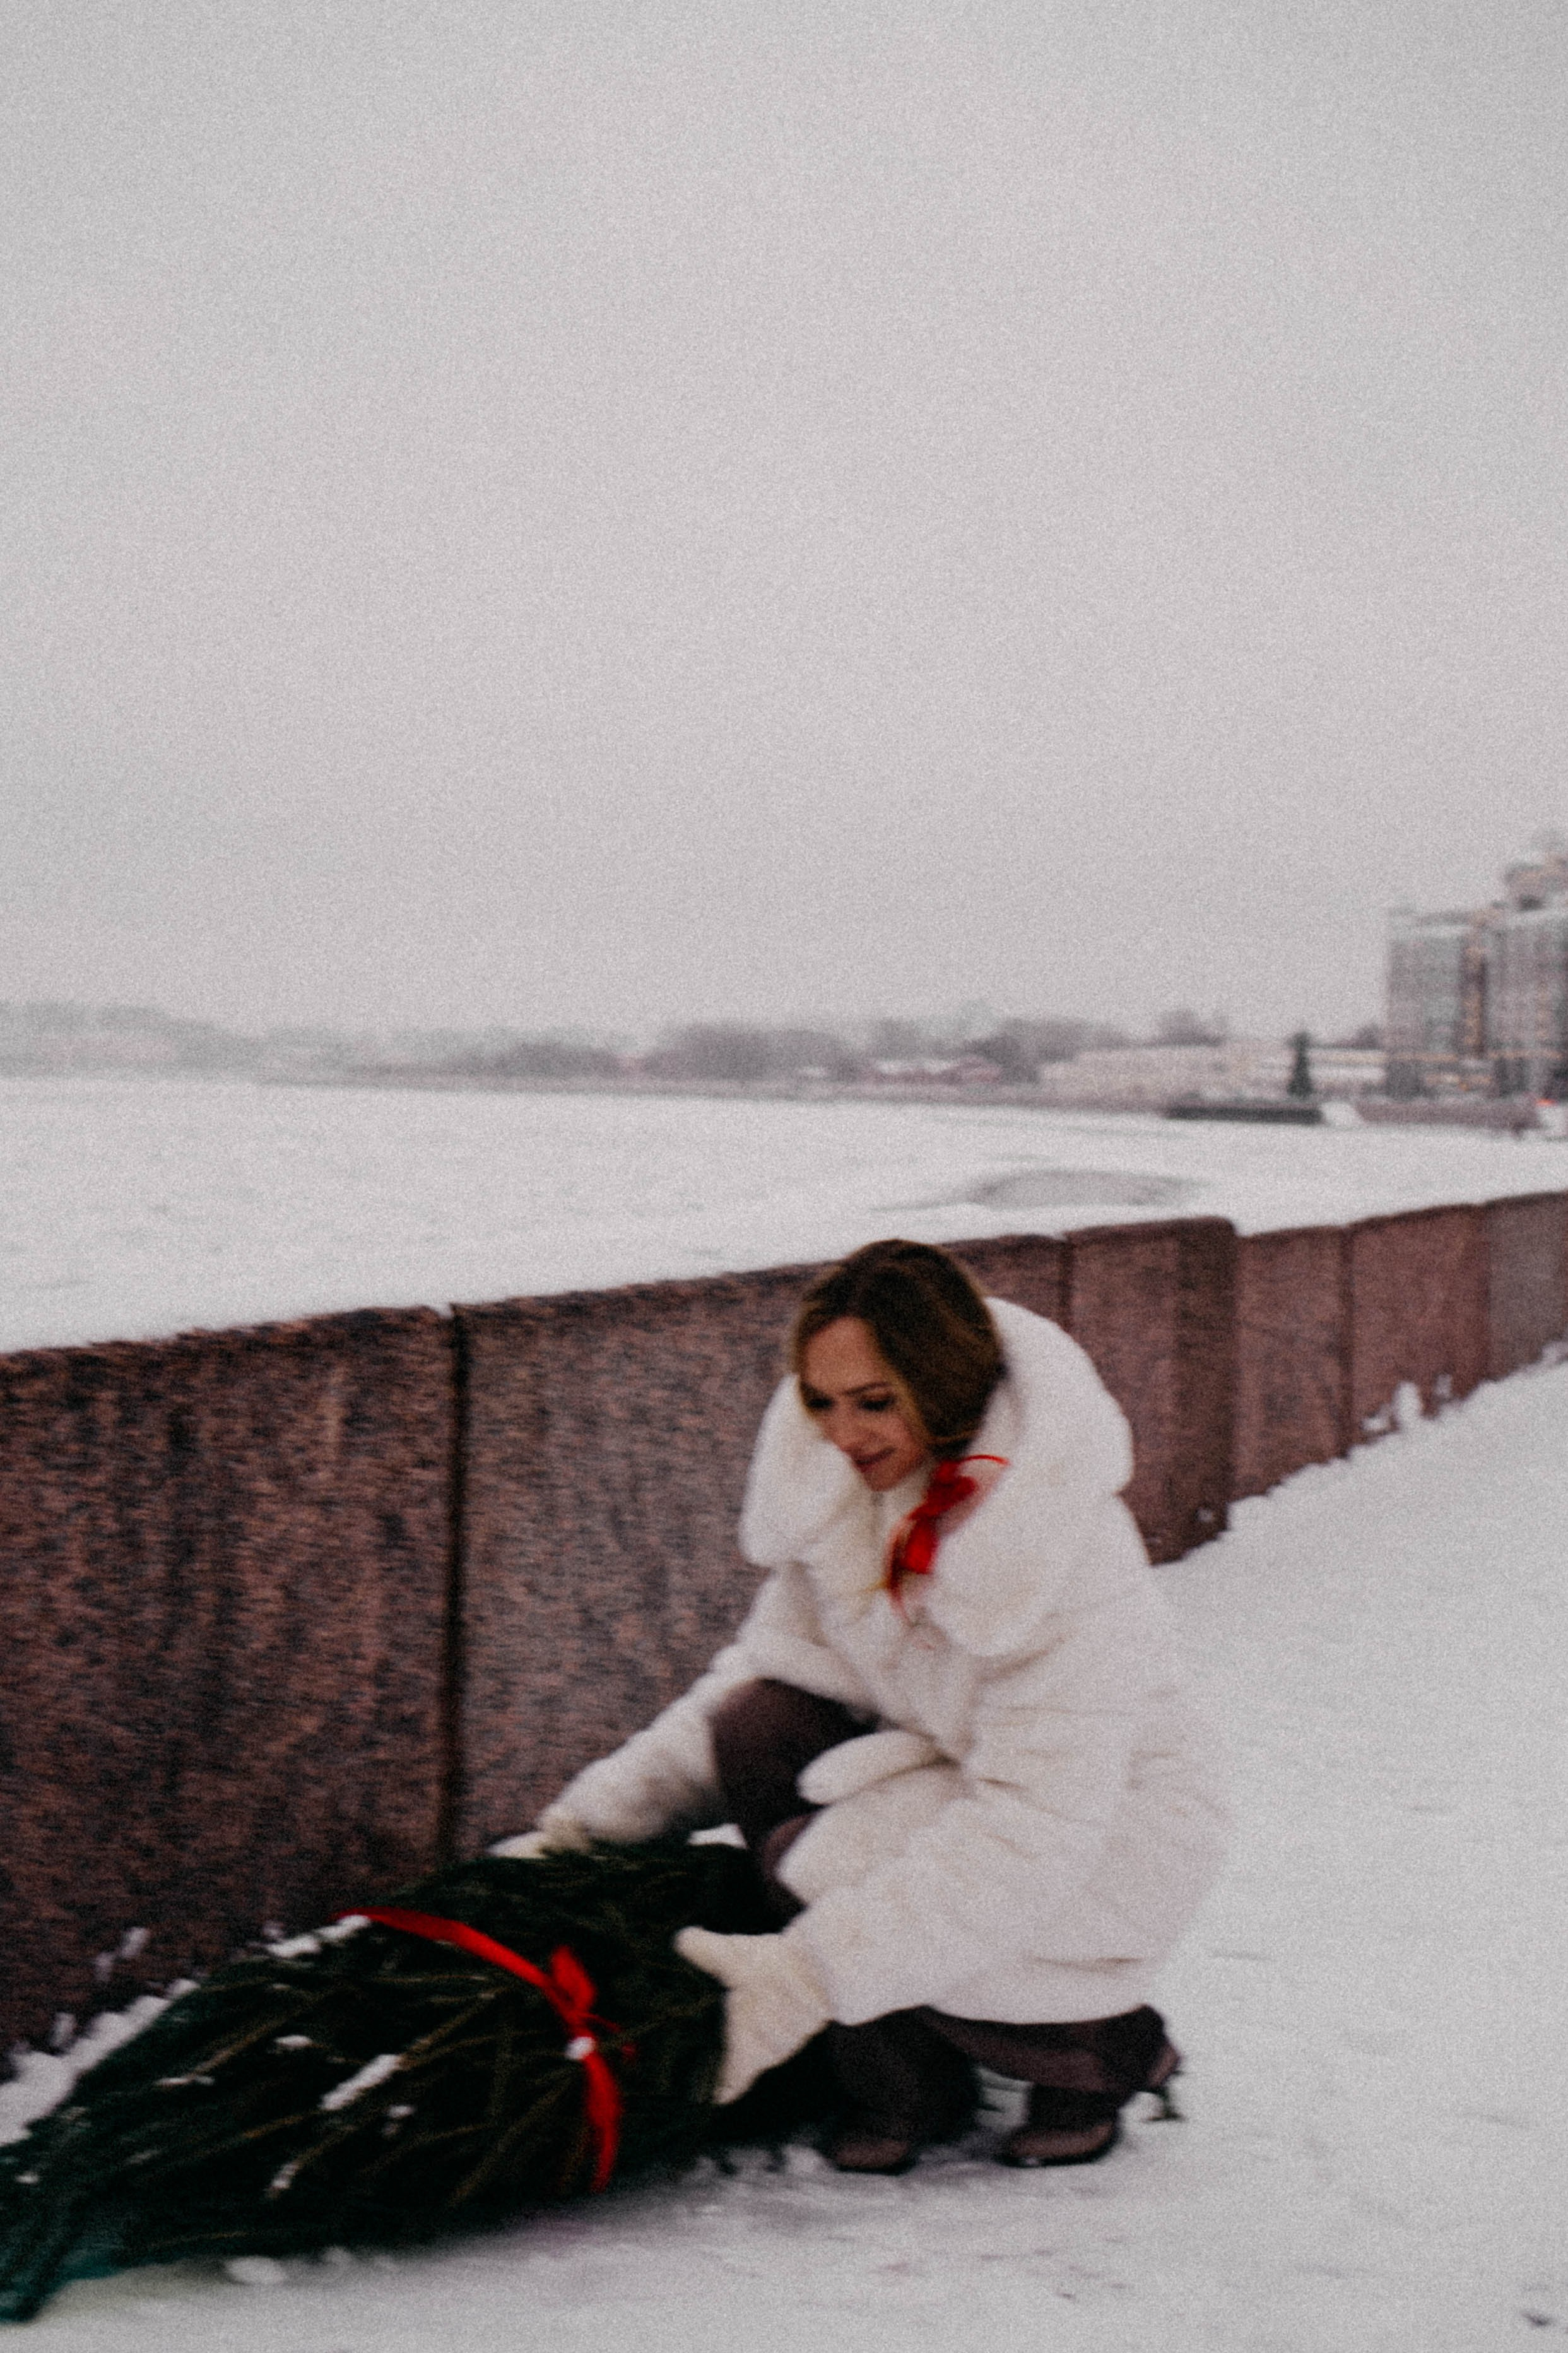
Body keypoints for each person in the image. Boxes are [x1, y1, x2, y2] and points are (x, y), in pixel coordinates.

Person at [495, 1238, 1230, 2172]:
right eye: (821, 1402)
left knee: (821, 1864)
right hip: (955, 1778)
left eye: (874, 1402)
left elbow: (1033, 1829)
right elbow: (756, 1676)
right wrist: (583, 1830)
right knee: (758, 1726)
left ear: (943, 1384)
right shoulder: (852, 1498)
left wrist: (798, 1978)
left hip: (1112, 1831)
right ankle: (903, 2083)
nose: (842, 1434)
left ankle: (1098, 2049)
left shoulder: (1062, 1550)